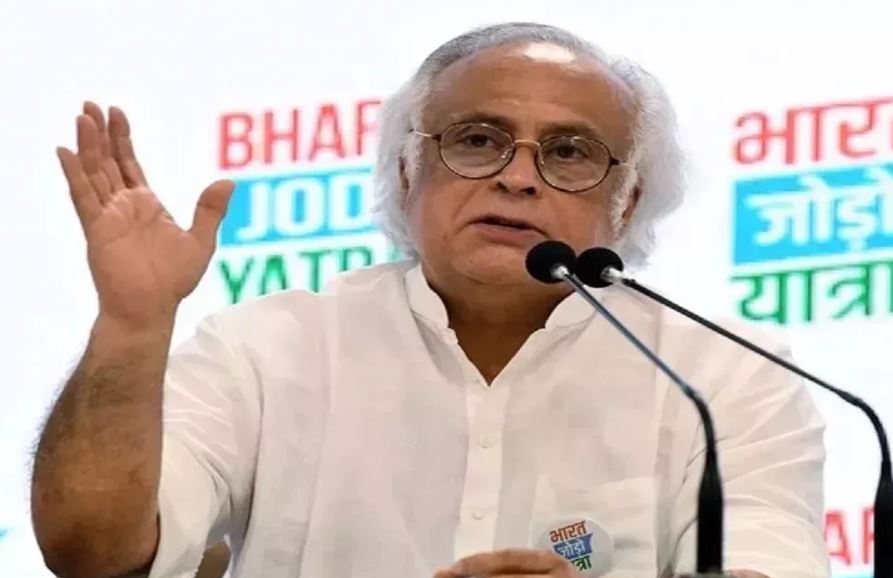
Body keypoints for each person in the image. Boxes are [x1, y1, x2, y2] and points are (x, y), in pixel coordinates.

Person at [30, 22, 829, 578]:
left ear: (628, 201)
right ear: (408, 172)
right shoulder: (269, 349)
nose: (518, 177)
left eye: (569, 153)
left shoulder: (723, 372)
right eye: (477, 140)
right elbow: (93, 554)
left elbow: (768, 561)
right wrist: (132, 326)